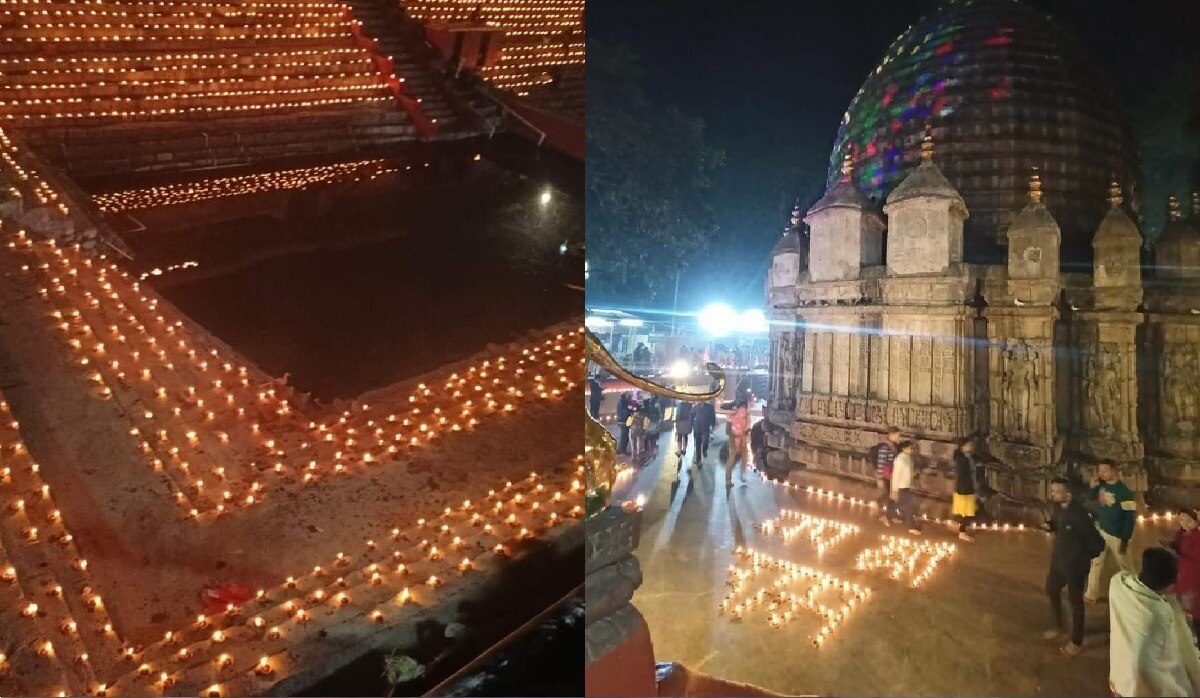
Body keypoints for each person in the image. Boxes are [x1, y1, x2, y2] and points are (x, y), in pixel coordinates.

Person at [1108, 547, 1200, 695]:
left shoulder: (1117, 584)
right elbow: (1150, 667)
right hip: (1136, 688)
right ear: (1169, 585)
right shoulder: (1157, 615)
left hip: (1119, 676)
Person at [1044, 476, 1106, 658]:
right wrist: (1050, 526)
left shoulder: (1080, 516)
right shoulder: (1057, 508)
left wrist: (1082, 558)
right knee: (1051, 590)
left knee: (1076, 602)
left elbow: (1098, 543)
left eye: (1057, 491)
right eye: (1052, 490)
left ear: (1068, 495)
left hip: (1074, 567)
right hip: (1057, 562)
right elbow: (1058, 524)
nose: (1052, 494)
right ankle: (1059, 626)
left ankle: (1076, 641)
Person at [1086, 462, 1138, 603]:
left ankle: (1135, 595)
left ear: (1114, 471)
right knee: (1096, 563)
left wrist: (1125, 539)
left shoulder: (1125, 492)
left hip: (1118, 536)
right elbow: (1092, 498)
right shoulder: (1102, 485)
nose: (1101, 473)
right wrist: (1093, 488)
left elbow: (1129, 517)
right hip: (1102, 531)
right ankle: (1091, 594)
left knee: (1126, 567)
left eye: (1105, 470)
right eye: (1100, 470)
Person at [1164, 509, 1200, 637]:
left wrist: (1176, 556)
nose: (1185, 523)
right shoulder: (1181, 534)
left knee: (1195, 611)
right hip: (1182, 578)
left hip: (1193, 581)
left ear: (1196, 522)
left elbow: (1195, 562)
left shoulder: (1197, 539)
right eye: (1182, 520)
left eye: (1188, 520)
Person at [950, 436, 978, 542]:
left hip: (966, 488)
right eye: (969, 445)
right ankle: (962, 532)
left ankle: (961, 529)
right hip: (965, 489)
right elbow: (963, 475)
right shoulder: (962, 459)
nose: (971, 447)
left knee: (966, 512)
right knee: (966, 513)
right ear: (963, 447)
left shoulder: (967, 457)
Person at [889, 440, 920, 535]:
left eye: (912, 448)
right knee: (909, 506)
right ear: (904, 448)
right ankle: (910, 526)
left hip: (907, 486)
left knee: (897, 504)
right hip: (900, 487)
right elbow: (896, 475)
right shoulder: (900, 459)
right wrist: (894, 490)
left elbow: (908, 472)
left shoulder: (908, 458)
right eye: (910, 448)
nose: (912, 450)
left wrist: (914, 474)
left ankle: (889, 516)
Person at [874, 427, 901, 522]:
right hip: (886, 475)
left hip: (894, 474)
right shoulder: (884, 447)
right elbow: (881, 463)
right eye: (897, 435)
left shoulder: (895, 446)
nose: (899, 437)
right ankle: (884, 511)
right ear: (891, 435)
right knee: (889, 494)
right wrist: (879, 478)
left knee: (893, 495)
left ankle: (892, 515)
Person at [724, 400, 749, 488]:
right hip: (738, 439)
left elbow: (727, 431)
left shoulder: (731, 414)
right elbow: (746, 429)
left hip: (735, 439)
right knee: (742, 457)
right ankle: (741, 476)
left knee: (732, 459)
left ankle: (728, 480)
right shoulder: (744, 414)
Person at [693, 399, 715, 467]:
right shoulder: (695, 408)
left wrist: (712, 425)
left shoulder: (709, 407)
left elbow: (713, 417)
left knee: (705, 441)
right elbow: (691, 416)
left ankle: (704, 450)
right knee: (697, 445)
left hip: (705, 428)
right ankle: (698, 460)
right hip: (697, 428)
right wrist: (691, 425)